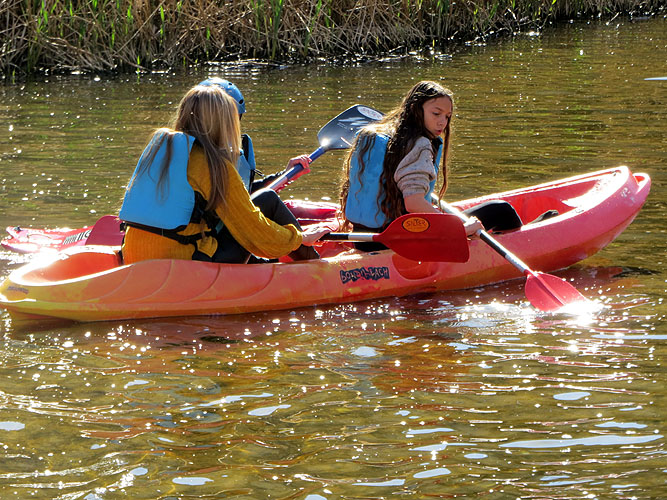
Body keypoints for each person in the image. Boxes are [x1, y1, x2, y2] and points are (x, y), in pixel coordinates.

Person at [119, 83, 325, 264]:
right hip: (184, 262)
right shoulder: (215, 166)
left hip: (132, 255)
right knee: (267, 199)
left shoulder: (161, 152)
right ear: (223, 125)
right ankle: (317, 268)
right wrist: (299, 238)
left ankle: (265, 263)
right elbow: (252, 228)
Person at [340, 80, 523, 251]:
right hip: (401, 243)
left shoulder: (374, 136)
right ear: (415, 109)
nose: (443, 122)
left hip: (364, 240)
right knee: (501, 210)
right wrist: (458, 227)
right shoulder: (419, 145)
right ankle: (523, 242)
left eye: (447, 116)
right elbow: (414, 203)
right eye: (436, 114)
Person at [198, 77, 309, 193]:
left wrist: (286, 175)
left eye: (233, 120)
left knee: (274, 198)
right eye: (224, 120)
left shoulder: (241, 146)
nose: (229, 127)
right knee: (270, 197)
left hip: (239, 203)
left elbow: (248, 190)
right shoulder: (191, 154)